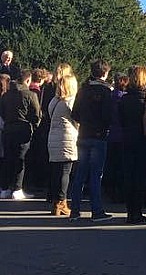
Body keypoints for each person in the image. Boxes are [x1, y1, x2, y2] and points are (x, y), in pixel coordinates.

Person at [70, 60, 113, 222]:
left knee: (80, 172)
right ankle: (97, 210)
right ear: (104, 73)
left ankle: (75, 209)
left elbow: (75, 113)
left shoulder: (83, 89)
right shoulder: (105, 91)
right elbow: (108, 115)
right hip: (99, 135)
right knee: (96, 174)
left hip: (83, 133)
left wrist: (85, 121)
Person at [119, 65, 146, 224]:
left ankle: (131, 211)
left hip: (128, 139)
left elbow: (121, 120)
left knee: (129, 175)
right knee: (142, 176)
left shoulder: (125, 98)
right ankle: (138, 211)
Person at [0, 70, 41, 199]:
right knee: (20, 160)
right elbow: (37, 115)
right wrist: (34, 127)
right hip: (23, 130)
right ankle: (17, 188)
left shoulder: (6, 95)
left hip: (8, 129)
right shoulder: (30, 95)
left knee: (7, 159)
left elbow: (2, 112)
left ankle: (5, 188)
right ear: (27, 80)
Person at [47, 73, 79, 216]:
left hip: (53, 138)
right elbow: (77, 119)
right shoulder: (70, 101)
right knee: (65, 171)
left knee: (55, 171)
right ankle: (62, 201)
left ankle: (55, 202)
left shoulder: (54, 101)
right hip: (67, 138)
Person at [104, 72, 128, 203]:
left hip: (110, 134)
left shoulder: (109, 96)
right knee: (121, 165)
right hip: (122, 134)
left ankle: (109, 190)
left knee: (110, 164)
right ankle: (120, 192)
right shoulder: (124, 98)